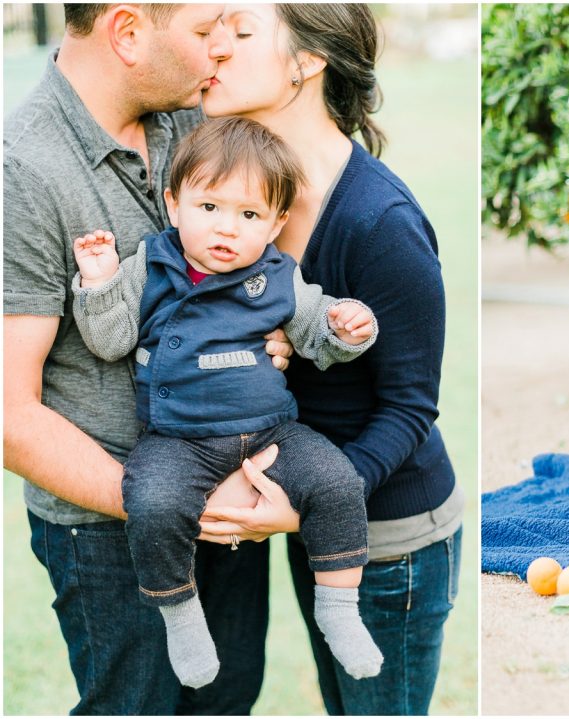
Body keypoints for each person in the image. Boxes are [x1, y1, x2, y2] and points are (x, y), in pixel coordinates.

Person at [3, 5, 292, 713]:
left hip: (229, 493)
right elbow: (10, 415)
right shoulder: (24, 171)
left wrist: (277, 328)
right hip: (108, 528)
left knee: (227, 700)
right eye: (204, 30)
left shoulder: (194, 120)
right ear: (128, 34)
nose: (221, 47)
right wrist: (175, 504)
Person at [197, 4, 464, 714]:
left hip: (389, 541)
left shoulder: (380, 222)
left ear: (307, 62)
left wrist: (309, 502)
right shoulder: (239, 203)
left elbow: (410, 407)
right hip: (312, 522)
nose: (215, 49)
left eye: (242, 34)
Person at [70, 116, 385, 689]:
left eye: (249, 215)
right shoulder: (151, 266)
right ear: (174, 204)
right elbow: (110, 341)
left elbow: (315, 332)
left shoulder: (278, 276)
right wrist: (100, 283)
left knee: (338, 481)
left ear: (277, 223)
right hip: (178, 438)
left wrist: (347, 328)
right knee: (153, 503)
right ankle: (180, 615)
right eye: (209, 207)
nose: (226, 228)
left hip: (271, 435)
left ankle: (339, 609)